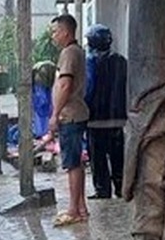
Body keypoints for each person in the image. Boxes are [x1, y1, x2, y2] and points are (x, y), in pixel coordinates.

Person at [48, 14, 90, 226]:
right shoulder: (76, 52)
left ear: (65, 32)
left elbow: (65, 85)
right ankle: (80, 207)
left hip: (70, 114)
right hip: (76, 113)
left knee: (72, 163)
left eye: (55, 32)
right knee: (77, 162)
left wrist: (55, 114)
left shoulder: (68, 53)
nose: (53, 36)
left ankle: (74, 210)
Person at [84, 24, 128, 199]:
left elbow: (88, 88)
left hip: (96, 119)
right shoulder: (121, 61)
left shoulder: (90, 62)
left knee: (98, 158)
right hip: (118, 118)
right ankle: (121, 187)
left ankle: (102, 190)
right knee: (118, 156)